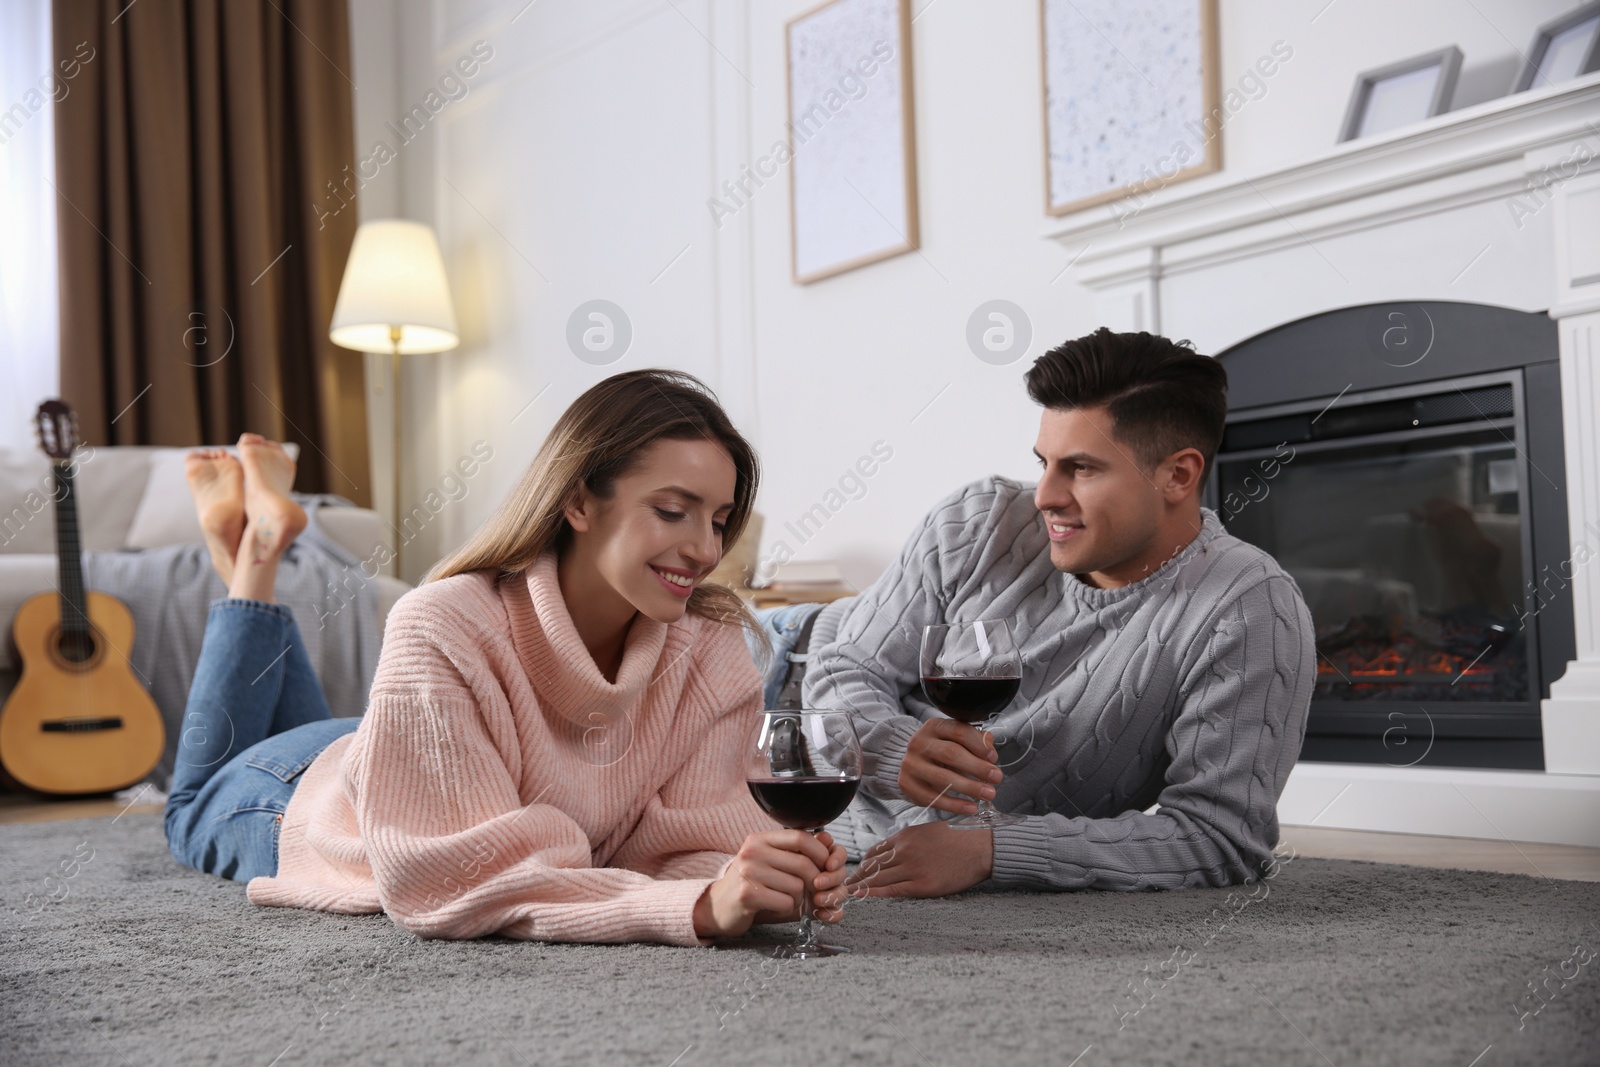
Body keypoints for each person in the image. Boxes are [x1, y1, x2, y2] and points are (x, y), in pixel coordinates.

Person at [164, 370, 847, 946]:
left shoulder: (713, 646)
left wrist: (749, 881)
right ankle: (255, 555)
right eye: (673, 510)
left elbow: (695, 846)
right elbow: (460, 878)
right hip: (301, 800)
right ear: (579, 501)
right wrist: (695, 907)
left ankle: (252, 539)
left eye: (720, 519)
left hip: (399, 748)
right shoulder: (442, 622)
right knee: (187, 804)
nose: (705, 549)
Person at [803, 328, 1317, 897]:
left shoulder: (1244, 610)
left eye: (1082, 468)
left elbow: (1218, 839)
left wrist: (993, 848)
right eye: (1044, 461)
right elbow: (840, 668)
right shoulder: (979, 521)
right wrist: (891, 748)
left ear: (1178, 475)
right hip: (784, 670)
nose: (1045, 494)